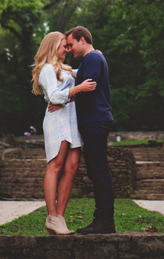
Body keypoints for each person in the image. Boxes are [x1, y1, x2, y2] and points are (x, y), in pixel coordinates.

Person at [31, 31, 97, 235]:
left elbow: (84, 73)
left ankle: (60, 217)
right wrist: (77, 91)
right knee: (55, 166)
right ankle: (51, 216)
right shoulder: (47, 70)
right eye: (63, 45)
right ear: (52, 46)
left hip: (71, 119)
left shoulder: (65, 68)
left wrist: (94, 53)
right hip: (57, 121)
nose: (67, 49)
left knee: (72, 167)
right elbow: (54, 97)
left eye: (68, 46)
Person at [59, 26, 116, 234]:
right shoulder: (92, 59)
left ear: (83, 40)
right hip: (93, 120)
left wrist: (62, 98)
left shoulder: (92, 59)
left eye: (71, 44)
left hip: (95, 120)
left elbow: (87, 88)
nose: (69, 49)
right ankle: (103, 219)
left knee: (99, 170)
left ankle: (105, 221)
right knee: (96, 170)